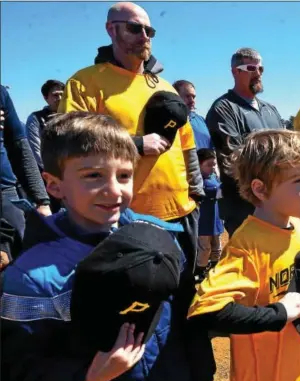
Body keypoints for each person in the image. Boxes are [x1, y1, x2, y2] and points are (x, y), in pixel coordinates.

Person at [0, 112, 215, 381]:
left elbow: (185, 316)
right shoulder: (31, 278)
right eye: (93, 176)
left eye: (124, 175)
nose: (114, 190)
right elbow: (19, 371)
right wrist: (86, 377)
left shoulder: (161, 239)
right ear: (54, 185)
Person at [188, 129, 300, 381]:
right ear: (260, 188)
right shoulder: (246, 243)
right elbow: (207, 311)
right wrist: (278, 314)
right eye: (299, 180)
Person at [58, 2, 204, 272]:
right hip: (127, 217)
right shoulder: (85, 83)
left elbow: (187, 145)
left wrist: (197, 195)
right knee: (140, 307)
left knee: (184, 299)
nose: (144, 36)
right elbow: (71, 138)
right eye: (135, 28)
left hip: (182, 213)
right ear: (111, 30)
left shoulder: (164, 85)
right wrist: (135, 144)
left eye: (150, 30)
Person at [206, 47, 284, 236]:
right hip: (245, 209)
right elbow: (234, 159)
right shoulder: (224, 109)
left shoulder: (270, 109)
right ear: (235, 71)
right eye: (251, 68)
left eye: (261, 69)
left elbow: (287, 148)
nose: (258, 73)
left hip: (277, 202)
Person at [0, 85, 51, 267]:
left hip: (6, 194)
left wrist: (41, 201)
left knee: (18, 263)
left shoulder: (1, 93)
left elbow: (19, 146)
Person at [195, 149, 223, 282]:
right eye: (209, 165)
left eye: (214, 164)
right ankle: (200, 270)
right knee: (205, 248)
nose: (212, 168)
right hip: (203, 222)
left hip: (215, 219)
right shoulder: (199, 182)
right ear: (198, 165)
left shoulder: (213, 177)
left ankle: (214, 266)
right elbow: (216, 190)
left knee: (217, 245)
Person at [26, 79, 65, 170]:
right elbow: (36, 149)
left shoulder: (73, 117)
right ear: (45, 97)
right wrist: (50, 171)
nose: (59, 98)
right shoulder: (36, 118)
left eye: (62, 94)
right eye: (55, 95)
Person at [173, 80, 214, 150]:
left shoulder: (201, 120)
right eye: (187, 96)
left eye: (193, 97)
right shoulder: (171, 123)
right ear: (176, 96)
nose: (192, 101)